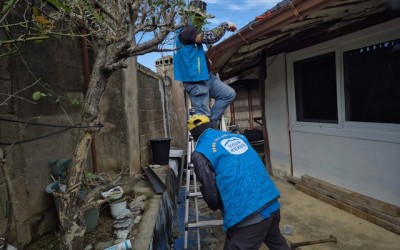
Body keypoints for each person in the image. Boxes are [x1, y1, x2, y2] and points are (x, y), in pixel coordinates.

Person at [187, 115, 290, 250]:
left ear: (193, 135)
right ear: (210, 125)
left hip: (248, 214)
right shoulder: (236, 137)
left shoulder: (200, 153)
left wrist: (217, 203)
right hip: (271, 202)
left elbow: (211, 196)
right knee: (277, 243)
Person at [174, 0, 237, 128]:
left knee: (229, 94)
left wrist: (206, 61)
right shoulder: (185, 31)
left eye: (201, 18)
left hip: (206, 78)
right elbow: (209, 37)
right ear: (188, 16)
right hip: (195, 82)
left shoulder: (191, 33)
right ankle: (206, 130)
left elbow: (194, 53)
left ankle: (211, 124)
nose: (201, 21)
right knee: (203, 118)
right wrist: (225, 25)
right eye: (198, 17)